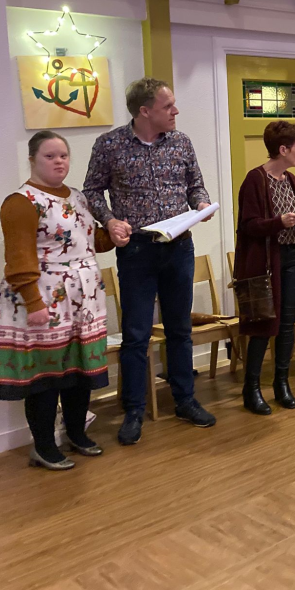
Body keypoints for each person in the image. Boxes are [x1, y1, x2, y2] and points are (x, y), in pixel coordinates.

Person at [83, 77, 217, 444]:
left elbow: (195, 184)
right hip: (137, 251)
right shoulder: (110, 145)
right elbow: (91, 191)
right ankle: (134, 411)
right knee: (137, 335)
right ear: (144, 111)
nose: (176, 111)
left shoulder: (181, 142)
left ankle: (185, 400)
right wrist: (109, 221)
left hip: (179, 246)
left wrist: (202, 203)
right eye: (167, 106)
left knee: (179, 329)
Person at [0, 131, 124, 470]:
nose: (59, 162)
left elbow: (86, 241)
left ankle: (76, 433)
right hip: (45, 300)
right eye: (50, 156)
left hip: (83, 301)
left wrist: (112, 235)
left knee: (79, 371)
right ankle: (44, 446)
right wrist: (34, 304)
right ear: (32, 160)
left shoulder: (77, 197)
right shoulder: (21, 202)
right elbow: (19, 259)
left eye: (63, 155)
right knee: (47, 375)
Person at [234, 122, 295, 413]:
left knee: (287, 325)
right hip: (267, 263)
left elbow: (291, 223)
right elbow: (249, 226)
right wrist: (279, 222)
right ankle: (251, 389)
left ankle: (281, 383)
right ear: (283, 149)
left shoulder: (292, 180)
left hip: (291, 258)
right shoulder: (255, 180)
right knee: (263, 325)